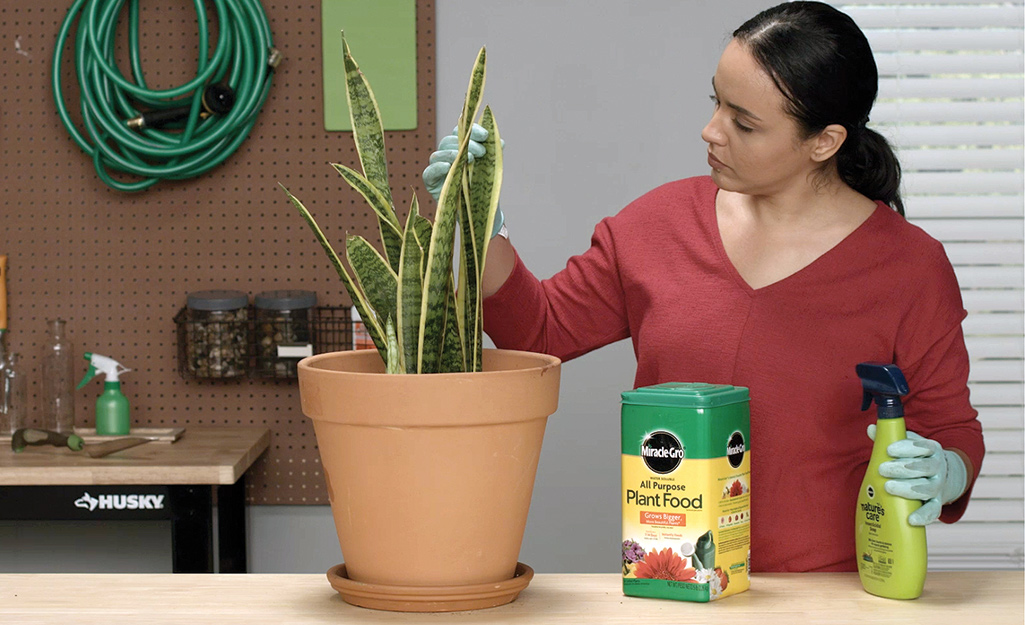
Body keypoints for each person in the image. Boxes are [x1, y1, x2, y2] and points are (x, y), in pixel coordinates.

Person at [423, 1, 984, 573]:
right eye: (715, 100)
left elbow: (951, 428)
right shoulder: (656, 225)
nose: (711, 131)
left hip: (831, 598)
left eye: (744, 123)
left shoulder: (910, 267)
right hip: (673, 581)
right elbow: (537, 330)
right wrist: (479, 222)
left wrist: (947, 471)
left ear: (824, 142)